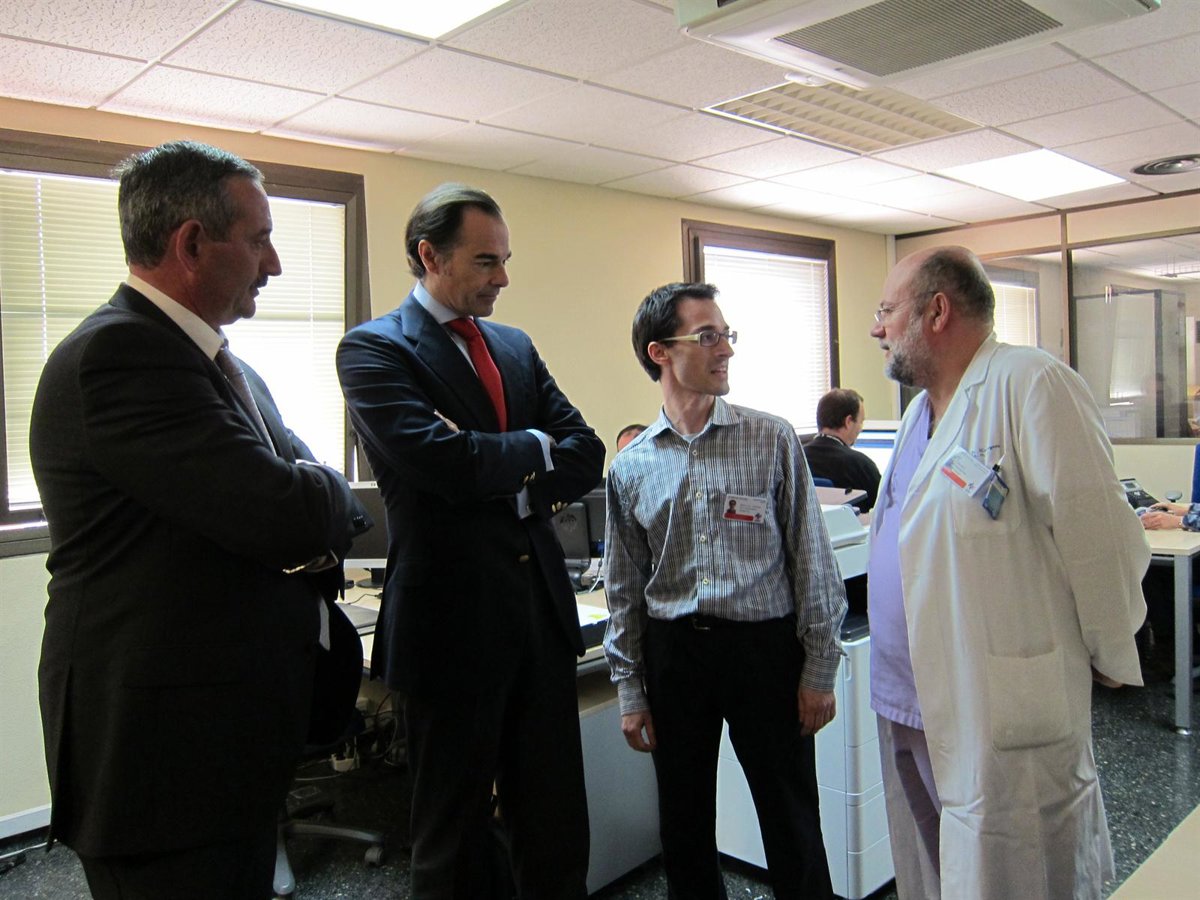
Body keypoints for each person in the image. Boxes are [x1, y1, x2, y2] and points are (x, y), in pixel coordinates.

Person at [29, 140, 367, 900]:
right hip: (161, 758)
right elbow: (287, 511)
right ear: (190, 243)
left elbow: (304, 491)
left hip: (221, 736)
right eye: (259, 240)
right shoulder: (121, 354)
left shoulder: (221, 364)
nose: (274, 264)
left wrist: (309, 498)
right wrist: (311, 500)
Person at [336, 183, 604, 899]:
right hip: (449, 624)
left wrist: (504, 468)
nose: (503, 278)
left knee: (555, 825)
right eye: (487, 261)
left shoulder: (514, 346)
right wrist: (534, 448)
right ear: (430, 255)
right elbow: (438, 462)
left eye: (505, 259)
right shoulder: (373, 349)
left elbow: (586, 451)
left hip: (539, 618)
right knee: (451, 838)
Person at [866, 245, 1148, 900]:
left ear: (937, 311)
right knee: (935, 869)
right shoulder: (917, 414)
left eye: (886, 311)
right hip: (906, 698)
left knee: (1014, 870)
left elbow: (1098, 537)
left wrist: (1108, 647)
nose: (876, 328)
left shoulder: (1031, 383)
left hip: (995, 703)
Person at [604, 281, 846, 900]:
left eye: (726, 334)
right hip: (675, 654)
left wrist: (820, 666)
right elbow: (625, 587)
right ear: (660, 352)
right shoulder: (631, 466)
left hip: (764, 651)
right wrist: (630, 687)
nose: (726, 349)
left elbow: (811, 558)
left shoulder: (771, 438)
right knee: (683, 823)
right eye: (708, 335)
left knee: (790, 818)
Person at [803, 387, 881, 510]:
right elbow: (886, 508)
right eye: (861, 422)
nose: (861, 428)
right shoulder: (861, 465)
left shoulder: (796, 458)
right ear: (848, 421)